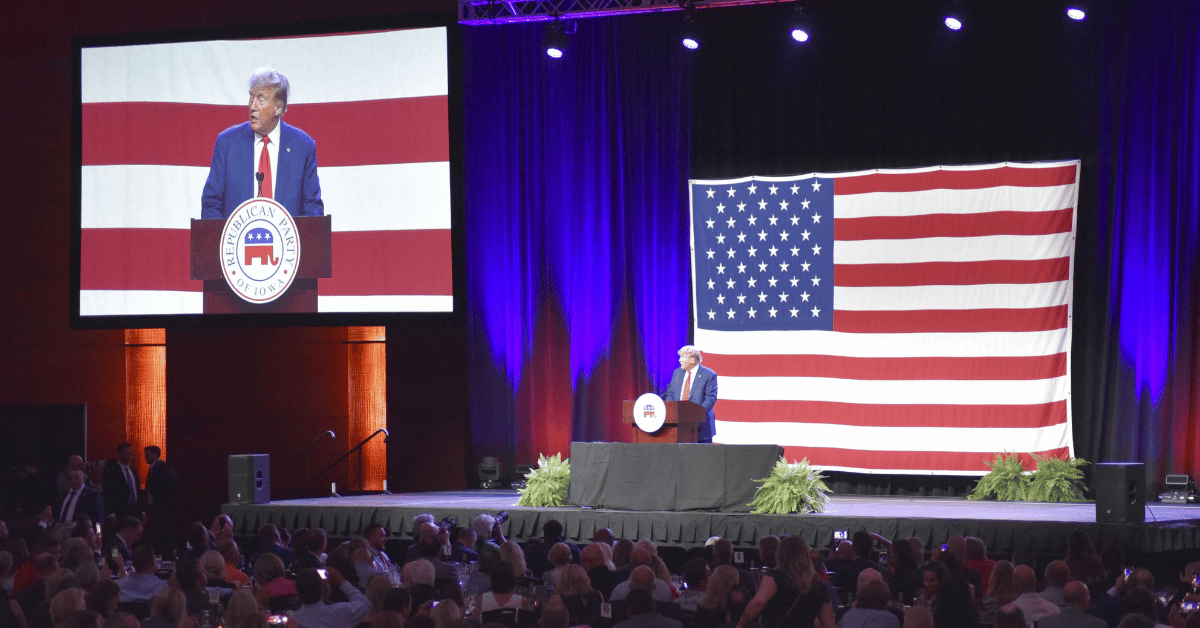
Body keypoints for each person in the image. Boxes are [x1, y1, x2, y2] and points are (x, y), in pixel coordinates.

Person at [201, 67, 324, 219]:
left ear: (278, 108)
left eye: (261, 99)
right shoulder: (227, 143)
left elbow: (313, 209)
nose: (253, 107)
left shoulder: (303, 147)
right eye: (251, 98)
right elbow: (211, 205)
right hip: (237, 242)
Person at [737, 536, 834, 628]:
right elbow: (828, 624)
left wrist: (741, 625)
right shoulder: (820, 587)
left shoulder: (775, 577)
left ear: (780, 555)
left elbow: (758, 602)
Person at [663, 345, 719, 443]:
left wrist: (694, 416)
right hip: (678, 425)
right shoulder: (677, 373)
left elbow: (710, 399)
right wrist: (671, 411)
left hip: (700, 427)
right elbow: (670, 394)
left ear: (692, 360)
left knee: (701, 457)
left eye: (682, 357)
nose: (680, 360)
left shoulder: (709, 375)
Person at [293, 567, 371, 628]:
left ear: (297, 591)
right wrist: (341, 581)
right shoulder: (339, 612)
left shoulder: (292, 621)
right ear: (323, 589)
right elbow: (365, 604)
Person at [142, 447, 178, 537]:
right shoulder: (155, 468)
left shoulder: (160, 468)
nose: (145, 457)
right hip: (156, 507)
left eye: (148, 455)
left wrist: (159, 501)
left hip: (159, 507)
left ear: (155, 455)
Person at [102, 443, 139, 520]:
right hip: (119, 512)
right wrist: (110, 513)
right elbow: (107, 492)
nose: (128, 456)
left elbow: (137, 490)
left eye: (130, 453)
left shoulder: (133, 471)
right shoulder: (111, 471)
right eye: (125, 453)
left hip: (134, 511)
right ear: (119, 454)